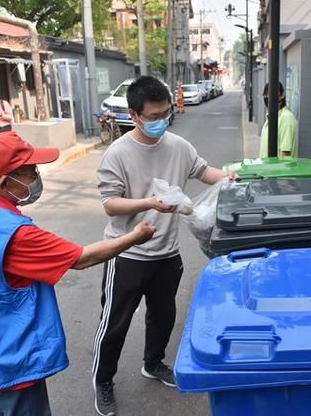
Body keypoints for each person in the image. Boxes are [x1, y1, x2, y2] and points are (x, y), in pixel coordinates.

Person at [0, 131, 156, 416]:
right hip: (10, 361)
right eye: (31, 173)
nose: (37, 178)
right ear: (5, 182)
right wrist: (134, 237)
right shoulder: (15, 235)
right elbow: (82, 258)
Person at [93, 76, 235, 416]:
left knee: (163, 316)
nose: (161, 120)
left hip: (166, 253)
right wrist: (150, 203)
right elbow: (110, 203)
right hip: (126, 252)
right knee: (115, 322)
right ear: (135, 115)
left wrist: (231, 178)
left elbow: (203, 171)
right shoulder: (118, 153)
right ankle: (103, 380)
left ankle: (153, 363)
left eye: (166, 113)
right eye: (153, 115)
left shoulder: (178, 146)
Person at [259, 81, 299, 158]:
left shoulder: (287, 118)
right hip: (266, 168)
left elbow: (284, 154)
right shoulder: (272, 117)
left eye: (271, 95)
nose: (267, 97)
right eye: (265, 95)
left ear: (282, 95)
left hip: (276, 169)